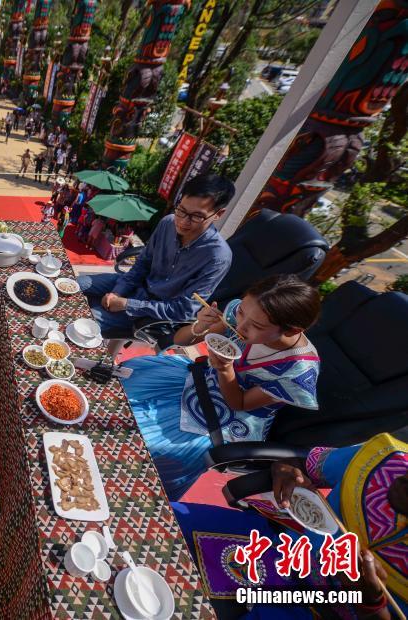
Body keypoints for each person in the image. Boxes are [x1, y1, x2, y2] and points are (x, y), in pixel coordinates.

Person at [120, 274, 322, 500]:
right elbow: (183, 340)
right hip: (202, 377)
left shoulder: (297, 372)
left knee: (142, 442)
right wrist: (200, 325)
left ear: (292, 330)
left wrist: (225, 369)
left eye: (255, 326)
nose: (241, 327)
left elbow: (240, 403)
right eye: (241, 313)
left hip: (231, 418)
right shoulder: (241, 314)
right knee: (125, 377)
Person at [173, 432, 407, 619]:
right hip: (274, 544)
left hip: (317, 611)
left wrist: (370, 604)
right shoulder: (388, 456)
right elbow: (302, 465)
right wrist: (285, 470)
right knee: (154, 522)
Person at [76, 174, 234, 355]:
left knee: (81, 323)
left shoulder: (217, 257)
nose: (183, 222)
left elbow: (182, 311)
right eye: (181, 210)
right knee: (73, 284)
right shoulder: (168, 222)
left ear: (219, 214)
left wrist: (127, 304)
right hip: (135, 285)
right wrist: (118, 291)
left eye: (196, 217)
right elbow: (142, 264)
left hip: (152, 311)